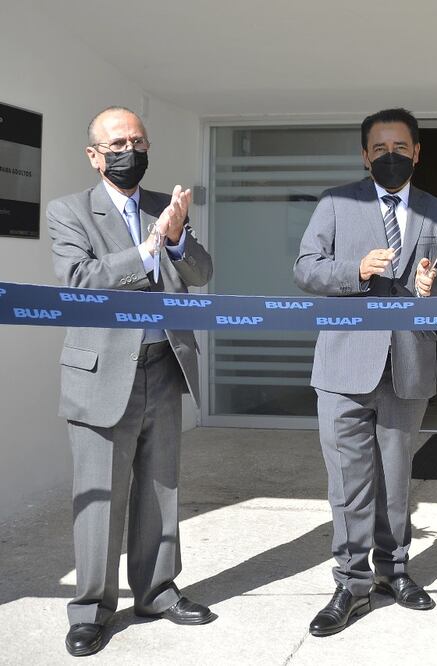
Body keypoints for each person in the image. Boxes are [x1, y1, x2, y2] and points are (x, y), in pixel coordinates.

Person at [47, 106, 215, 657]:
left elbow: (202, 273)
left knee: (160, 488)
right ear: (95, 156)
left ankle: (159, 591)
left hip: (163, 366)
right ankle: (92, 608)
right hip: (101, 374)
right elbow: (79, 280)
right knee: (100, 497)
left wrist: (173, 240)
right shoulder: (70, 211)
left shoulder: (162, 209)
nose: (130, 149)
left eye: (138, 140)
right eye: (118, 142)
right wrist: (146, 250)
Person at [294, 108, 437, 637]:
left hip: (409, 365)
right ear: (365, 155)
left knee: (396, 478)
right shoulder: (336, 203)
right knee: (348, 482)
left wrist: (434, 284)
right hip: (344, 365)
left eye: (400, 148)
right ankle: (350, 581)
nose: (390, 156)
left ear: (417, 152)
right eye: (379, 149)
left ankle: (395, 572)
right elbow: (305, 268)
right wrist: (356, 271)